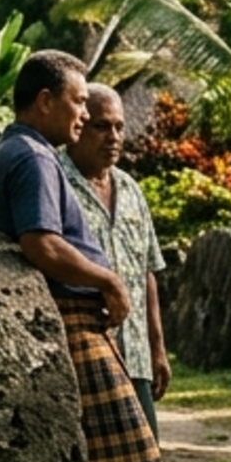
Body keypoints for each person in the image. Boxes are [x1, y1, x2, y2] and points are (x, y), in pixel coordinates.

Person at [0, 51, 223, 462]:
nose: (84, 115)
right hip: (71, 322)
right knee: (132, 461)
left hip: (76, 324)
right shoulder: (34, 157)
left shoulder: (18, 151)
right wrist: (107, 280)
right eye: (78, 102)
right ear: (45, 101)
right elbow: (42, 244)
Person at [64, 82, 170, 429]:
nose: (113, 137)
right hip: (85, 354)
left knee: (147, 454)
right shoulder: (56, 182)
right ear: (79, 125)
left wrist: (157, 348)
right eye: (102, 126)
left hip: (135, 355)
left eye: (119, 127)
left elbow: (147, 271)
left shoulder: (131, 190)